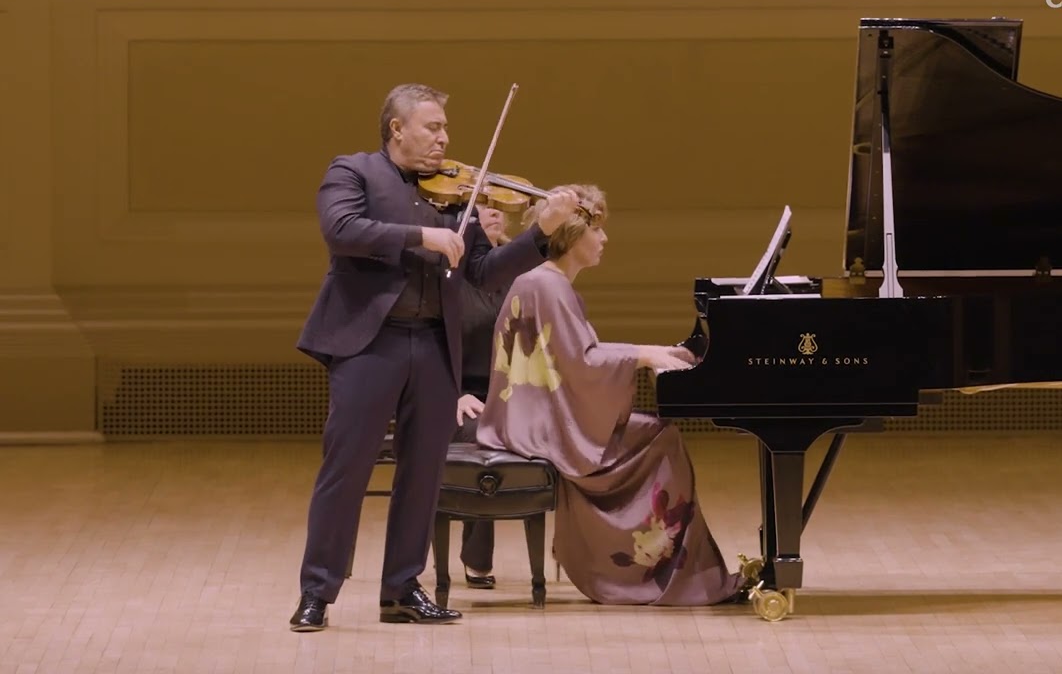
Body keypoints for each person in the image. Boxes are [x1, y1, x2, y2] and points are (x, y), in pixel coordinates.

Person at [290, 82, 581, 632]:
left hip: (432, 345)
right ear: (397, 128)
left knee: (423, 474)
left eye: (445, 128)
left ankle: (402, 589)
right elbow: (341, 229)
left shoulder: (455, 197)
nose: (444, 138)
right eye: (433, 127)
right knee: (345, 471)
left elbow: (482, 271)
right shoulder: (353, 172)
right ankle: (316, 592)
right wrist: (420, 235)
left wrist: (540, 236)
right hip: (368, 344)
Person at [475, 183, 745, 606]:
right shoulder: (547, 285)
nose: (604, 239)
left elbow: (577, 359)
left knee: (656, 434)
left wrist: (646, 354)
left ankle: (669, 567)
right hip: (537, 425)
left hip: (535, 414)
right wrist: (643, 354)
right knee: (662, 438)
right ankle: (652, 574)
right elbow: (582, 365)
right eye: (597, 230)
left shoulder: (545, 283)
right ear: (572, 235)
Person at [450, 205, 512, 589]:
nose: (493, 212)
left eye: (500, 206)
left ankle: (578, 552)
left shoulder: (521, 271)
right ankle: (477, 557)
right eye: (481, 205)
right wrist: (452, 394)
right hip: (459, 396)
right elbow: (429, 343)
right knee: (481, 436)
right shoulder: (447, 275)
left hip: (514, 393)